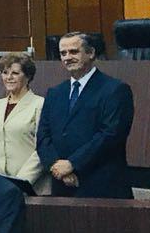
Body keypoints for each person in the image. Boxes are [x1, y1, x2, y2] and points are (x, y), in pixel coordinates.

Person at [36, 31, 135, 199]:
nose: (67, 57)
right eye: (63, 53)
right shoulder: (55, 93)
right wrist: (56, 166)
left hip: (101, 186)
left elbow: (111, 135)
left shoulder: (115, 89)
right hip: (62, 186)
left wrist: (73, 164)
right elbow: (43, 136)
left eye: (74, 52)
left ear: (91, 53)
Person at [0, 52, 48, 194]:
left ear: (28, 76)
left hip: (32, 186)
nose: (9, 77)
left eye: (15, 73)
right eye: (5, 73)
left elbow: (43, 147)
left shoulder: (40, 104)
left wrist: (21, 182)